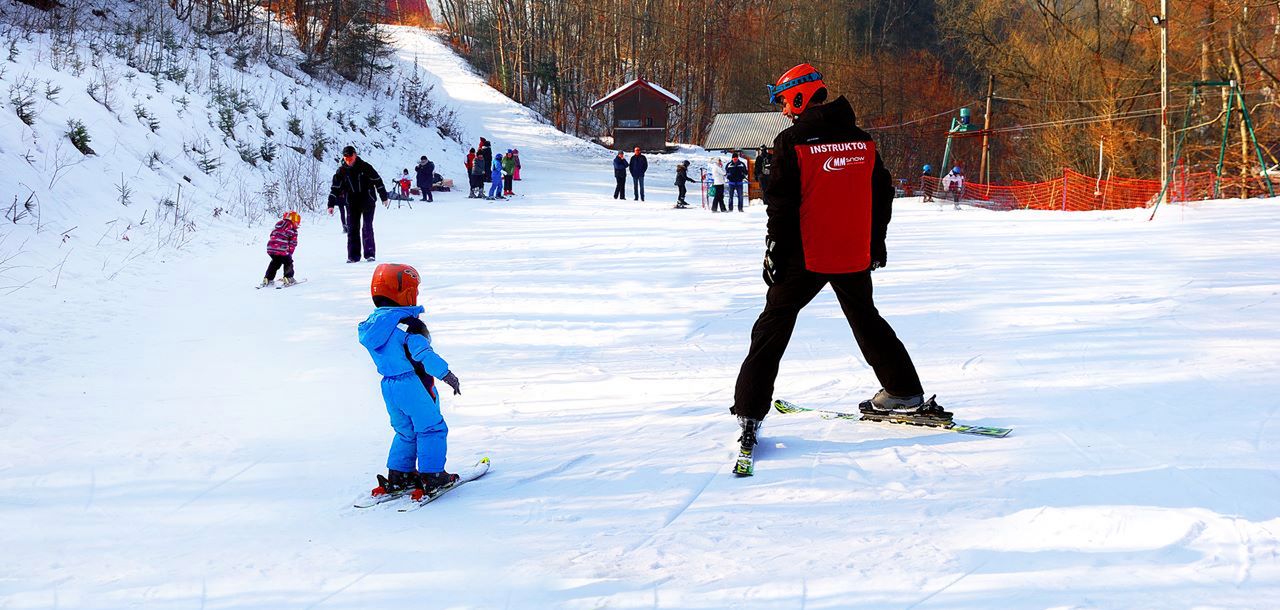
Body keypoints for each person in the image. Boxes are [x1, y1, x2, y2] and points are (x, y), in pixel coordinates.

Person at [731, 64, 938, 454]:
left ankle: (749, 410)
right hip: (851, 253)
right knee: (866, 319)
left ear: (799, 96)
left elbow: (781, 205)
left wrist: (774, 249)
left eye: (783, 102)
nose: (783, 111)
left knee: (773, 325)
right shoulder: (863, 140)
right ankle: (903, 391)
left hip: (805, 256)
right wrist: (875, 243)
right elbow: (882, 195)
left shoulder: (792, 141)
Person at [358, 263, 463, 502]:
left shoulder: (373, 325)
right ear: (407, 293)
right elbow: (423, 355)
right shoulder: (409, 325)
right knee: (432, 428)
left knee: (405, 431)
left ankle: (400, 475)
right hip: (413, 384)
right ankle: (433, 476)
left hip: (388, 385)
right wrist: (447, 374)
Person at [328, 145, 389, 263]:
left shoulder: (365, 167)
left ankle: (370, 254)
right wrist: (330, 205)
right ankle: (353, 256)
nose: (348, 161)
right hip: (351, 203)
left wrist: (384, 197)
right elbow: (335, 188)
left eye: (350, 158)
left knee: (367, 227)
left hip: (368, 200)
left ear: (355, 155)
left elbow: (378, 181)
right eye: (346, 158)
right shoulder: (341, 171)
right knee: (352, 229)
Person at [261, 210, 300, 288]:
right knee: (288, 262)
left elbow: (272, 236)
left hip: (271, 249)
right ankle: (288, 278)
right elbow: (293, 243)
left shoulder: (277, 227)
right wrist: (290, 253)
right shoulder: (293, 230)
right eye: (297, 221)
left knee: (275, 263)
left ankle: (268, 278)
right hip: (282, 249)